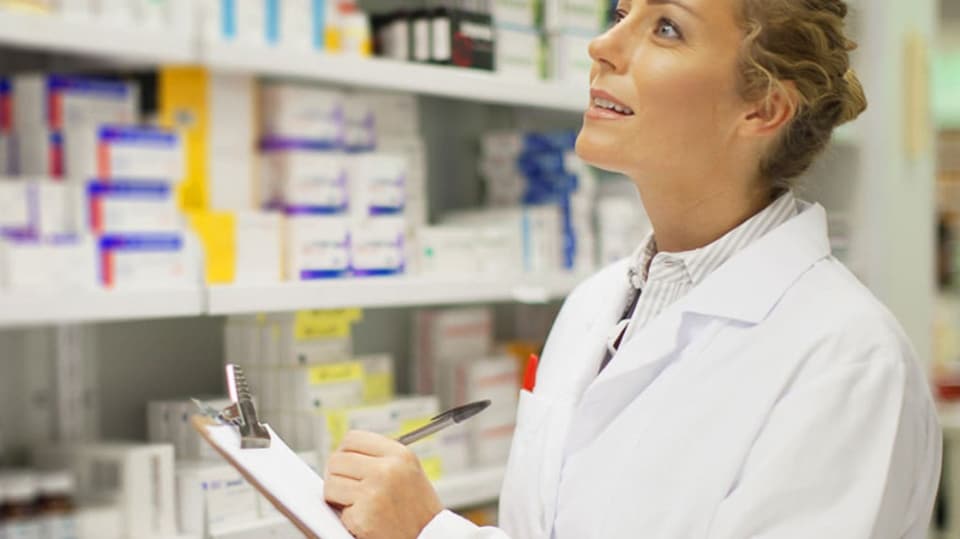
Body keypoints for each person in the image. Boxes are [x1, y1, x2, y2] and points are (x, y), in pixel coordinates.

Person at [323, 0, 943, 537]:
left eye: (667, 28)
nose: (602, 45)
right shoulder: (594, 306)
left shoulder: (849, 361)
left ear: (762, 109)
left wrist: (430, 533)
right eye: (622, 14)